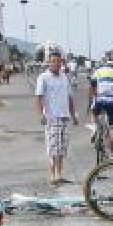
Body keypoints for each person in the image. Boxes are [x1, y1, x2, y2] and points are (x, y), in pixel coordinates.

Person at [34, 46, 78, 185]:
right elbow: (38, 97)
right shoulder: (43, 77)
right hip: (51, 117)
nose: (56, 64)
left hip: (64, 116)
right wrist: (40, 114)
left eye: (58, 62)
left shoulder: (64, 77)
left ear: (61, 63)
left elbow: (69, 97)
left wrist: (74, 115)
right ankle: (53, 175)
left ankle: (59, 174)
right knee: (53, 147)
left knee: (62, 148)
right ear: (49, 62)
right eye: (53, 61)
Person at [88, 57, 113, 155]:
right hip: (112, 101)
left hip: (99, 100)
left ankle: (94, 128)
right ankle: (112, 151)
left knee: (93, 112)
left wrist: (92, 100)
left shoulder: (97, 72)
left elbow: (92, 87)